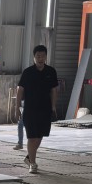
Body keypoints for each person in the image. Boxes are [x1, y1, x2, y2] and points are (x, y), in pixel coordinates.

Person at [14, 45, 58, 174]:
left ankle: (29, 157)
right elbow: (20, 90)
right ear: (34, 57)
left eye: (43, 56)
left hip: (45, 109)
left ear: (46, 57)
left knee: (40, 136)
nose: (40, 58)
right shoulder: (28, 72)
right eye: (38, 56)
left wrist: (53, 106)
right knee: (32, 137)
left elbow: (54, 90)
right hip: (30, 110)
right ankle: (32, 164)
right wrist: (17, 107)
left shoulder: (51, 71)